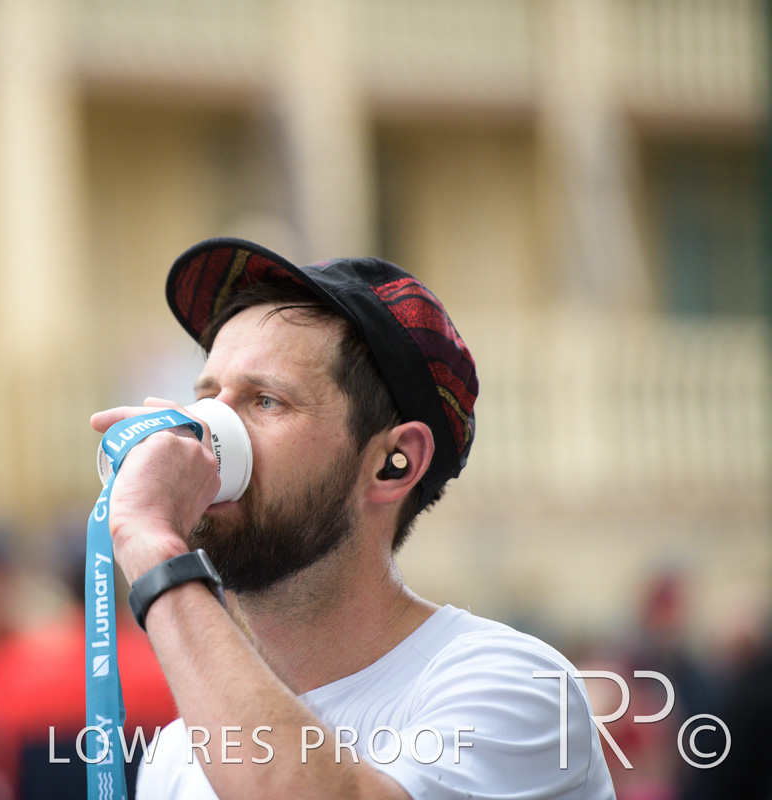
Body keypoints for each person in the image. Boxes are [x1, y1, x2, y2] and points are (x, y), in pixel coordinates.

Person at [89, 238, 616, 799]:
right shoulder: (177, 752)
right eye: (206, 396)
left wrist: (156, 549)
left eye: (265, 400)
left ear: (393, 464)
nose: (203, 430)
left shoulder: (513, 687)